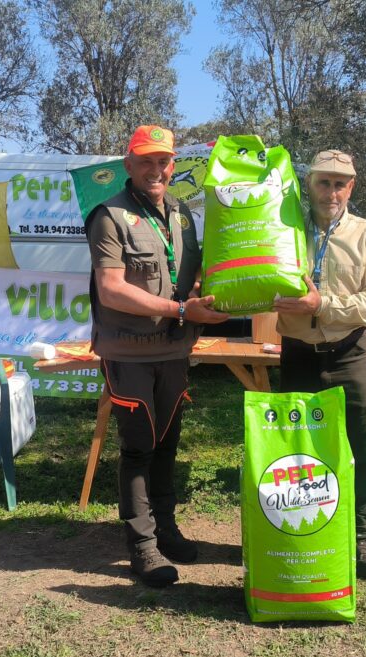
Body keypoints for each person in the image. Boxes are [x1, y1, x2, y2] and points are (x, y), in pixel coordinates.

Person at [86, 125, 229, 587]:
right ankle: (142, 547)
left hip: (173, 349)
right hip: (127, 351)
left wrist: (221, 303)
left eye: (163, 160)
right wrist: (180, 308)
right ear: (128, 165)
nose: (156, 169)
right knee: (138, 445)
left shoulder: (183, 215)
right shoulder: (109, 216)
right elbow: (111, 290)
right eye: (146, 160)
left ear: (173, 165)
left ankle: (165, 531)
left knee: (166, 442)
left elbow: (193, 281)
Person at [274, 150, 366, 579]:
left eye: (340, 184)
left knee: (362, 446)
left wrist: (321, 303)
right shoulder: (283, 230)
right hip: (297, 354)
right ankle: (300, 532)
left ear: (352, 188)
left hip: (352, 353)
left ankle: (361, 538)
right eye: (324, 182)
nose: (332, 191)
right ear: (310, 185)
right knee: (298, 450)